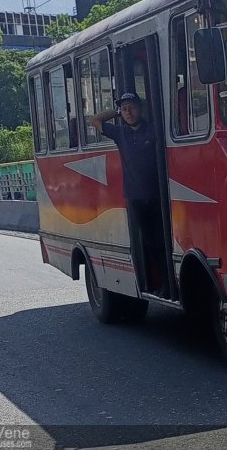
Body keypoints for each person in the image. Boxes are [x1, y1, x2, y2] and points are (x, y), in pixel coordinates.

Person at [90, 92, 170, 298]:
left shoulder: (154, 130)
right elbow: (95, 120)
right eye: (124, 109)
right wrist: (116, 112)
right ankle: (160, 284)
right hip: (135, 198)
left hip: (159, 196)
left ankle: (169, 285)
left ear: (141, 109)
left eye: (132, 107)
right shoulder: (120, 133)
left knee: (164, 242)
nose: (129, 113)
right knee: (150, 243)